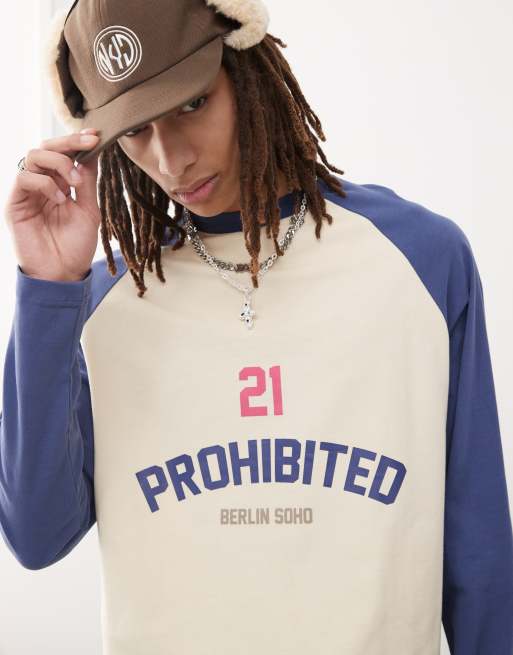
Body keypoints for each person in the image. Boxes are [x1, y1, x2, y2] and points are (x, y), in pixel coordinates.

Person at [1, 0, 512, 653]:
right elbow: (37, 536)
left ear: (246, 65)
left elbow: (479, 558)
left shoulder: (420, 259)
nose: (171, 159)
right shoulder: (103, 298)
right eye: (136, 129)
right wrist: (47, 289)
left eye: (192, 103)